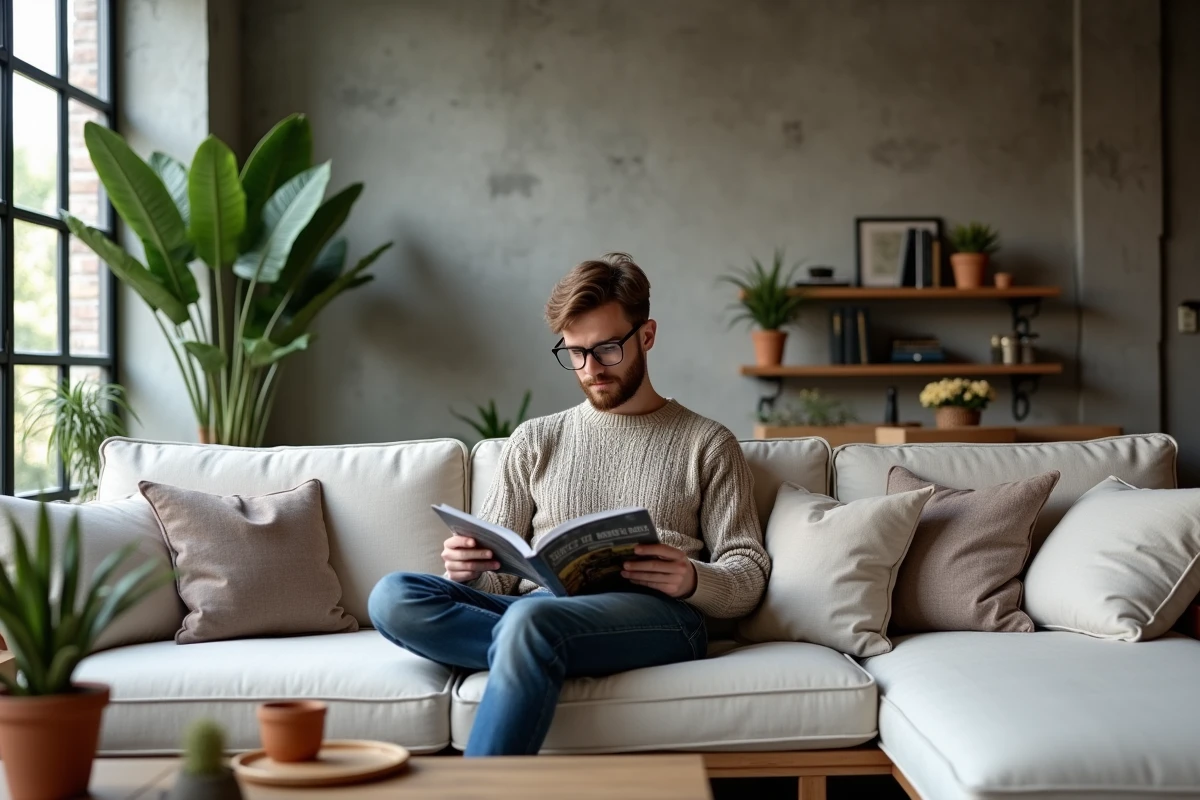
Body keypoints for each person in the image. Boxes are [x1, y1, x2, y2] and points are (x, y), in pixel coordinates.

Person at [368, 253, 770, 756]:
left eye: (606, 349)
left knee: (527, 623)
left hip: (661, 619)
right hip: (540, 610)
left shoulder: (707, 442)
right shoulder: (535, 440)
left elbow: (748, 572)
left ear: (646, 335)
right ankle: (533, 653)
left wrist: (692, 578)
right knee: (394, 596)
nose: (591, 369)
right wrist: (470, 571)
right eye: (574, 352)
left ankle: (522, 668)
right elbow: (503, 580)